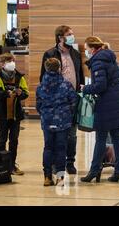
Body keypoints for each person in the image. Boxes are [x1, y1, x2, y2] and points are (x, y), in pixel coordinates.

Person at [80, 37, 119, 183]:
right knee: (116, 138)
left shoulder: (98, 62)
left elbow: (100, 86)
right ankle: (118, 171)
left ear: (92, 48)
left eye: (86, 48)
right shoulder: (109, 58)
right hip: (117, 103)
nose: (85, 51)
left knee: (100, 139)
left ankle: (94, 170)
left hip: (107, 105)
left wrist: (85, 88)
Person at [40, 25, 84, 175]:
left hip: (72, 99)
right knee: (54, 136)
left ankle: (70, 161)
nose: (72, 36)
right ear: (60, 37)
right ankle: (53, 165)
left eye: (72, 34)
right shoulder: (49, 53)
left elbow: (80, 75)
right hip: (55, 102)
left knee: (72, 134)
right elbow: (43, 78)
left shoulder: (76, 54)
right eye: (69, 34)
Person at [36, 58, 78, 187]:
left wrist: (45, 114)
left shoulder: (40, 86)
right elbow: (74, 101)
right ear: (59, 68)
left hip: (47, 121)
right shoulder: (66, 84)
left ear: (46, 68)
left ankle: (47, 177)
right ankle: (60, 178)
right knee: (61, 149)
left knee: (48, 148)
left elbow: (38, 105)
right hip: (63, 121)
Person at [0, 53, 29, 175]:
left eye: (13, 60)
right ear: (2, 64)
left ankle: (12, 165)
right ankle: (1, 165)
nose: (12, 63)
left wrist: (19, 93)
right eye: (9, 61)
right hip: (2, 115)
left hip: (15, 115)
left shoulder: (19, 77)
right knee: (2, 140)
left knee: (14, 140)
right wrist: (5, 94)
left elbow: (26, 93)